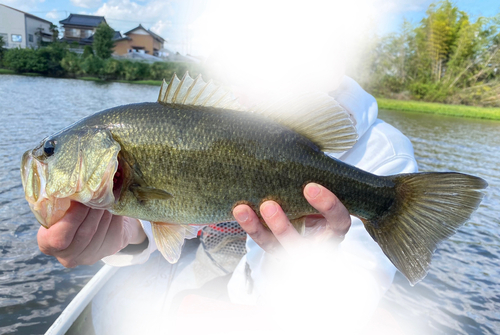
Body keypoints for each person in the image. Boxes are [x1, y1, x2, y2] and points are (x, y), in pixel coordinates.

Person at [37, 74, 417, 334]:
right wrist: (125, 235)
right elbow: (167, 217)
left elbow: (356, 297)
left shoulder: (385, 152)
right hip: (234, 276)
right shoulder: (229, 110)